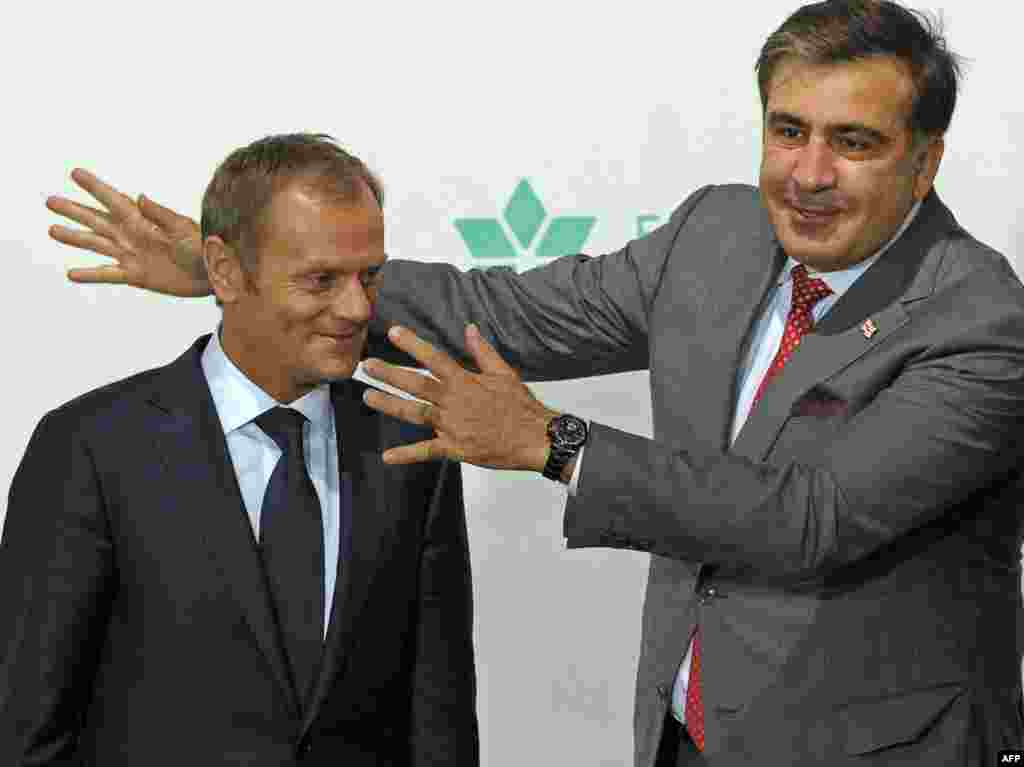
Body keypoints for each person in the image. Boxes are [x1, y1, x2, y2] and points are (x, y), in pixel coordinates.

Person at [43, 1, 1024, 764]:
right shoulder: (718, 234)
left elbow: (807, 517)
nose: (806, 173)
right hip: (683, 731)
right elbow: (511, 314)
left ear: (926, 158)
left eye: (852, 142)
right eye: (787, 130)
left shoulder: (980, 320)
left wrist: (556, 444)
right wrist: (265, 272)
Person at [6, 134, 479, 766]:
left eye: (369, 276)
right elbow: (26, 729)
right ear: (224, 271)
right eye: (321, 280)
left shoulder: (411, 450)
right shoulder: (91, 448)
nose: (356, 308)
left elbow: (438, 722)